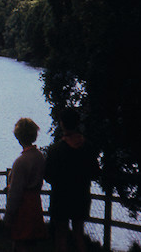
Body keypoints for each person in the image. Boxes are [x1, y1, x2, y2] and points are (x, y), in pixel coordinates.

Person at [45, 108, 100, 252]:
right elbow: (95, 173)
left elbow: (48, 175)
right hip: (81, 196)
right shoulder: (87, 147)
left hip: (61, 197)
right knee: (78, 235)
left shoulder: (55, 150)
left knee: (61, 235)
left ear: (62, 124)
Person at [4, 118, 47, 252]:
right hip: (35, 203)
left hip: (23, 207)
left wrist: (8, 215)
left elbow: (15, 193)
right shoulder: (39, 157)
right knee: (32, 244)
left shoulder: (21, 162)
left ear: (18, 137)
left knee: (20, 243)